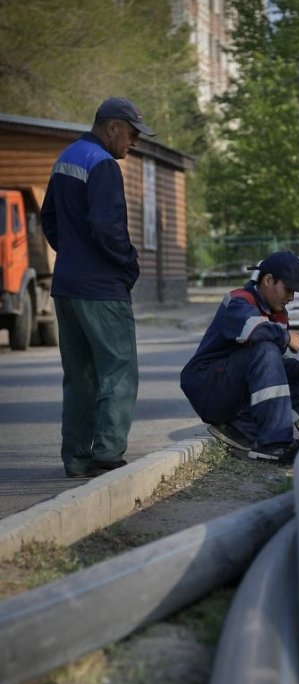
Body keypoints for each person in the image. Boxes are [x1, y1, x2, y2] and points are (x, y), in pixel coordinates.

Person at [41, 97, 155, 479]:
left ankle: (76, 458)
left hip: (67, 286)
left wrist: (72, 254)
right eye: (133, 133)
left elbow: (50, 221)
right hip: (102, 288)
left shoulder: (66, 158)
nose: (134, 141)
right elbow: (108, 228)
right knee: (119, 370)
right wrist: (128, 264)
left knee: (79, 377)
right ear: (112, 128)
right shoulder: (103, 164)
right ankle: (106, 453)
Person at [180, 252, 299, 463]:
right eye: (288, 289)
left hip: (235, 390)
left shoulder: (278, 315)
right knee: (265, 349)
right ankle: (272, 445)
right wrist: (285, 336)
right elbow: (253, 330)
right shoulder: (238, 300)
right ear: (268, 280)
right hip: (209, 388)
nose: (291, 297)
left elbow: (273, 368)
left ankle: (244, 432)